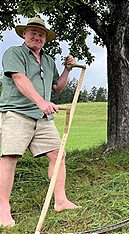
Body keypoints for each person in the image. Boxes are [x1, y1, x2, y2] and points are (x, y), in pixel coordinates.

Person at [0, 16, 80, 228]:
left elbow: (57, 88)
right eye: (33, 32)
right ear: (24, 34)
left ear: (45, 39)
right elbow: (19, 79)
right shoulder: (14, 53)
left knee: (58, 154)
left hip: (42, 118)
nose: (37, 37)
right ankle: (2, 210)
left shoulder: (48, 60)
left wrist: (67, 70)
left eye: (41, 34)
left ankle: (61, 201)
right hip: (17, 113)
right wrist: (41, 102)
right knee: (9, 157)